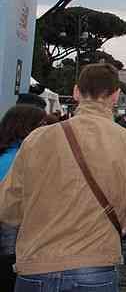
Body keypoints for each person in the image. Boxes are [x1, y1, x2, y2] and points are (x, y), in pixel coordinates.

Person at [0, 63, 126, 291]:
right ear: (116, 96)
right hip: (95, 266)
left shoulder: (36, 138)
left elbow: (7, 209)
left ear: (75, 92)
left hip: (35, 264)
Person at [0, 104, 46, 290]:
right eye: (42, 124)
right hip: (11, 242)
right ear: (26, 127)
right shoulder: (18, 158)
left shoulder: (11, 153)